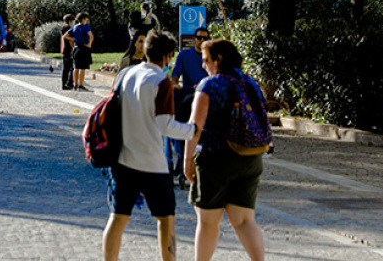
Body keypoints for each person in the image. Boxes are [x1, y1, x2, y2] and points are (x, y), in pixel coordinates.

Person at [101, 31, 197, 261]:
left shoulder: (126, 74)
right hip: (152, 163)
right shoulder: (161, 81)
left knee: (118, 217)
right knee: (166, 219)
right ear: (168, 56)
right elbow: (165, 125)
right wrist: (193, 130)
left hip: (123, 158)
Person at [185, 39, 267, 261]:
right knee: (244, 220)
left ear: (218, 59)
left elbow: (195, 126)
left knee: (209, 221)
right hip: (250, 157)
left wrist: (188, 160)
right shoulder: (250, 82)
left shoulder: (209, 85)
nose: (203, 66)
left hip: (215, 159)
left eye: (206, 60)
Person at [170, 27, 210, 184]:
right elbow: (175, 76)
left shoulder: (211, 57)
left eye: (205, 38)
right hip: (189, 96)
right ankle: (182, 158)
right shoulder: (185, 55)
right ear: (194, 40)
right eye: (199, 38)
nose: (202, 41)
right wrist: (175, 84)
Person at [71, 12, 94, 90]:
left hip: (76, 47)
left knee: (76, 67)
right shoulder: (86, 27)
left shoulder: (74, 27)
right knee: (82, 68)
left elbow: (67, 36)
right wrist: (89, 45)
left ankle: (75, 84)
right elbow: (91, 36)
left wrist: (73, 42)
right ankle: (81, 85)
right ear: (84, 19)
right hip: (84, 47)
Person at [60, 14, 75, 90]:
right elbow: (70, 40)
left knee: (67, 68)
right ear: (70, 21)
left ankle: (66, 83)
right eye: (73, 21)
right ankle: (67, 83)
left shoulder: (63, 28)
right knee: (68, 68)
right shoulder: (68, 29)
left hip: (64, 50)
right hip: (68, 50)